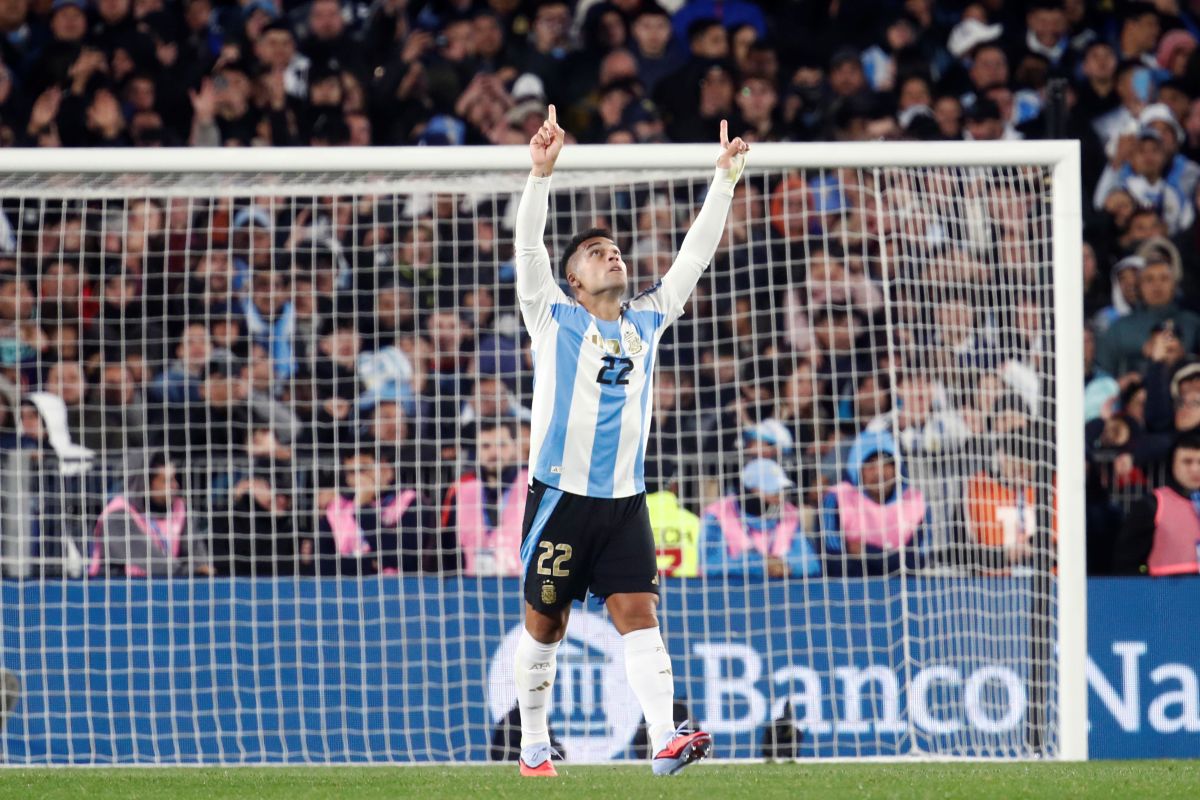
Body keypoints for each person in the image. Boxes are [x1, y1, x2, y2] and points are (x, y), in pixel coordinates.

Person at [510, 104, 747, 777]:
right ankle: (532, 746)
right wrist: (540, 175)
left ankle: (665, 738)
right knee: (544, 629)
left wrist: (723, 181)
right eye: (593, 253)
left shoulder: (648, 315)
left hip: (623, 505)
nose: (610, 254)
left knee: (640, 613)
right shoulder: (550, 316)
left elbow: (694, 257)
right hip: (560, 498)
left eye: (613, 248)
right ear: (575, 281)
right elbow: (529, 249)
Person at [820, 430, 930, 577]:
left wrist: (866, 552)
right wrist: (891, 559)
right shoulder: (836, 499)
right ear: (857, 469)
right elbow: (834, 562)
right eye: (870, 464)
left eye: (886, 464)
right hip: (852, 592)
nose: (879, 473)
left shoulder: (914, 501)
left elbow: (916, 562)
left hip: (901, 590)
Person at [89, 451, 212, 578]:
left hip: (166, 586)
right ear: (145, 485)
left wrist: (199, 569)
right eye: (167, 481)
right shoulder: (117, 515)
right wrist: (191, 572)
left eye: (175, 478)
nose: (176, 486)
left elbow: (198, 557)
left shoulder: (179, 508)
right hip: (116, 589)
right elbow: (150, 562)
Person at [700, 458, 818, 579]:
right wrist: (760, 565)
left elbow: (812, 565)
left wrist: (787, 566)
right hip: (735, 593)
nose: (780, 498)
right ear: (750, 491)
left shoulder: (789, 514)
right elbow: (708, 566)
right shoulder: (717, 515)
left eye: (782, 491)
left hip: (783, 593)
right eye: (773, 492)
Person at [440, 420, 529, 576]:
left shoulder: (532, 486)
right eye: (486, 446)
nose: (494, 453)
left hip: (522, 588)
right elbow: (447, 546)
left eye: (502, 445)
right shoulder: (462, 491)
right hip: (472, 588)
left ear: (515, 448)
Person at [1114, 432, 1200, 576]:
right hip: (1163, 594)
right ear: (1172, 464)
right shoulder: (1152, 505)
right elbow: (1126, 562)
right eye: (1187, 462)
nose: (1195, 469)